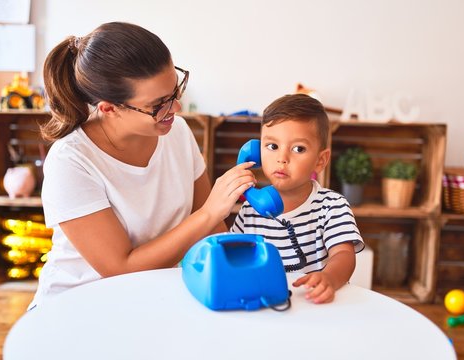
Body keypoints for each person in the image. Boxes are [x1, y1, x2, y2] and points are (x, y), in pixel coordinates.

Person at [29, 22, 255, 309]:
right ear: (109, 108)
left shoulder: (178, 132)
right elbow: (121, 268)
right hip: (81, 305)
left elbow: (211, 234)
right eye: (159, 103)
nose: (176, 108)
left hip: (154, 297)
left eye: (176, 89)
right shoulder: (71, 162)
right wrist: (211, 212)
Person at [230, 94, 365, 304]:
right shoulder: (250, 209)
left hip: (314, 304)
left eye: (298, 149)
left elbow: (344, 255)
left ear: (320, 161)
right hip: (267, 304)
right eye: (272, 146)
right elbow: (237, 256)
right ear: (256, 152)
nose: (282, 158)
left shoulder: (332, 206)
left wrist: (329, 277)